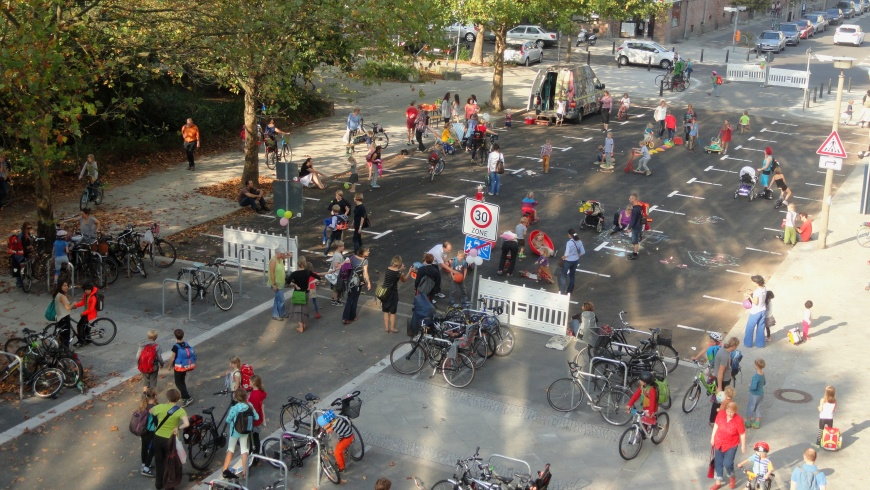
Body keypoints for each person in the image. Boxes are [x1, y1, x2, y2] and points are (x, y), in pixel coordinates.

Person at [149, 388, 190, 489]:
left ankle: (158, 484)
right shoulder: (180, 411)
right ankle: (170, 485)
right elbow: (187, 423)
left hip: (158, 437)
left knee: (159, 461)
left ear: (167, 398)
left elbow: (150, 411)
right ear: (178, 398)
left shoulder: (160, 407)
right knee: (170, 462)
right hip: (170, 440)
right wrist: (178, 428)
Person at [221, 388, 259, 479]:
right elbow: (256, 417)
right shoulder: (250, 405)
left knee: (230, 449)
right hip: (245, 432)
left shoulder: (235, 408)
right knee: (244, 450)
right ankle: (245, 473)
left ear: (236, 398)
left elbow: (228, 420)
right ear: (246, 396)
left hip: (235, 432)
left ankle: (225, 469)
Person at [710, 401, 747, 490]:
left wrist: (743, 446)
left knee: (728, 463)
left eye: (732, 412)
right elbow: (716, 425)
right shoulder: (721, 414)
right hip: (719, 442)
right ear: (726, 409)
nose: (730, 414)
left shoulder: (738, 419)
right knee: (718, 462)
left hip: (731, 444)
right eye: (728, 411)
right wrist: (712, 437)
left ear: (735, 411)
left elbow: (742, 434)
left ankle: (732, 477)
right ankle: (718, 482)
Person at [710, 337, 740, 424]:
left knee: (721, 400)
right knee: (718, 401)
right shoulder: (725, 356)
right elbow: (720, 372)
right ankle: (712, 420)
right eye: (736, 346)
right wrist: (719, 387)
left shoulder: (723, 349)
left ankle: (719, 416)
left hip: (723, 379)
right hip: (723, 381)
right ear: (734, 346)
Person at [288, 257, 320, 333]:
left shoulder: (294, 273)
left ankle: (300, 326)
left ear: (298, 264)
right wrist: (310, 283)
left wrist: (295, 285)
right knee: (304, 309)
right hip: (306, 293)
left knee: (297, 310)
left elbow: (288, 281)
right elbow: (318, 278)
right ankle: (304, 324)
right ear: (305, 263)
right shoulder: (308, 272)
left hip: (298, 293)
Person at [342, 246, 371, 324]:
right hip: (358, 283)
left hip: (350, 282)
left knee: (349, 299)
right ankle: (352, 316)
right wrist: (368, 282)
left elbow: (345, 268)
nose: (369, 252)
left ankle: (345, 318)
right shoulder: (365, 261)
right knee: (355, 299)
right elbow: (365, 273)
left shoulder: (352, 257)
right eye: (367, 251)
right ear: (363, 252)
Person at [381, 255, 408, 333]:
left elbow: (394, 272)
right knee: (392, 312)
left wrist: (400, 269)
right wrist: (408, 271)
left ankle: (386, 328)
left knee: (386, 311)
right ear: (400, 263)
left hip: (384, 292)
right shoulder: (399, 273)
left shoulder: (388, 269)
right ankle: (392, 328)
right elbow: (404, 280)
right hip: (393, 293)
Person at [169, 328, 195, 407]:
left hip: (178, 367)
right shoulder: (186, 344)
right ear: (183, 336)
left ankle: (187, 398)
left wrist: (169, 366)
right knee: (182, 381)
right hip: (185, 366)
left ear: (175, 337)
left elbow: (172, 358)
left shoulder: (175, 347)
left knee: (178, 383)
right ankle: (185, 397)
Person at [138, 388, 159, 477]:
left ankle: (144, 464)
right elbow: (156, 422)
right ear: (155, 396)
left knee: (144, 447)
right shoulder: (154, 408)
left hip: (143, 430)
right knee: (153, 448)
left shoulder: (143, 406)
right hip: (151, 431)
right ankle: (146, 469)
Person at [743, 275, 768, 348]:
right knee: (760, 328)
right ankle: (760, 344)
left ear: (756, 282)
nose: (752, 283)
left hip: (755, 312)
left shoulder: (757, 291)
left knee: (749, 328)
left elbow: (755, 302)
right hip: (763, 310)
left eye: (753, 281)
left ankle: (748, 343)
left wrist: (749, 296)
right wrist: (752, 293)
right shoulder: (764, 288)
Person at [558, 229, 585, 295]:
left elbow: (566, 254)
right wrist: (577, 255)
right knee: (572, 275)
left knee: (563, 276)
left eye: (568, 234)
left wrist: (563, 257)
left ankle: (562, 291)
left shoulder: (569, 243)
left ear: (570, 235)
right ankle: (569, 291)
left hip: (568, 261)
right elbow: (583, 252)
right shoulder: (579, 241)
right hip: (575, 261)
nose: (567, 235)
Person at [72, 282, 99, 347]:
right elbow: (83, 302)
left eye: (87, 290)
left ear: (91, 289)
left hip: (90, 315)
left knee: (79, 326)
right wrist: (75, 305)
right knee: (86, 328)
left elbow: (91, 309)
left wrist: (83, 313)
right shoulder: (86, 295)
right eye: (85, 290)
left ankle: (81, 341)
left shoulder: (93, 297)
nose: (86, 291)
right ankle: (88, 340)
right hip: (87, 313)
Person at [53, 280, 75, 349]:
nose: (66, 287)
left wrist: (72, 306)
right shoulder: (62, 296)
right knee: (65, 337)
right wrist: (73, 304)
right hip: (64, 318)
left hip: (59, 318)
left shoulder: (58, 294)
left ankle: (61, 351)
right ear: (60, 286)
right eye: (64, 285)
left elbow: (64, 306)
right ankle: (65, 353)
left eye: (67, 285)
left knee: (61, 337)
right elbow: (67, 307)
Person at [268, 249, 289, 321]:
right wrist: (274, 284)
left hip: (281, 283)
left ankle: (279, 313)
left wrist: (288, 254)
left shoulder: (279, 258)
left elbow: (286, 256)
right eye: (282, 254)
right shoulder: (273, 261)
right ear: (278, 253)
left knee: (278, 299)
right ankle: (277, 314)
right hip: (276, 283)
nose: (283, 255)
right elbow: (271, 273)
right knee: (281, 299)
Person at [248, 375, 266, 455]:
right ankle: (255, 454)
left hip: (254, 420)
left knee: (253, 439)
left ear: (254, 383)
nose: (249, 383)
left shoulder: (254, 395)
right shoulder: (260, 392)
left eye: (250, 382)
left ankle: (254, 455)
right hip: (259, 419)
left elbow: (254, 409)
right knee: (256, 437)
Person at [745, 359, 766, 429]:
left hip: (754, 395)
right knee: (758, 407)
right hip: (761, 394)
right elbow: (764, 383)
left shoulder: (755, 376)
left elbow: (753, 387)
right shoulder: (762, 373)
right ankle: (757, 422)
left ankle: (748, 421)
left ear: (756, 366)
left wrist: (749, 386)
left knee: (750, 407)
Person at [328, 241, 346, 306]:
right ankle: (335, 301)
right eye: (343, 246)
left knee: (336, 289)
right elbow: (336, 266)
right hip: (337, 275)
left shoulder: (337, 254)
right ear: (339, 247)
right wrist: (345, 263)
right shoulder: (338, 255)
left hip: (336, 274)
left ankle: (335, 300)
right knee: (337, 289)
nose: (344, 247)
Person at [627, 194, 645, 260]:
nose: (629, 199)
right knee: (635, 241)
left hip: (636, 227)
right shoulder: (639, 207)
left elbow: (633, 220)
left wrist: (629, 228)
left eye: (630, 198)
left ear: (634, 199)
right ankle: (635, 253)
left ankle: (635, 255)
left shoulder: (634, 209)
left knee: (635, 242)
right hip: (639, 225)